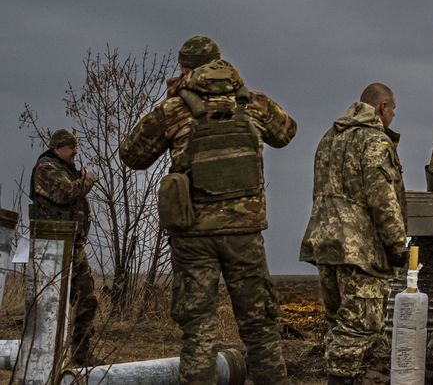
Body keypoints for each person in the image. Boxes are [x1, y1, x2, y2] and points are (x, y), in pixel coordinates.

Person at [120, 36, 296, 384]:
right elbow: (286, 132)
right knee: (260, 327)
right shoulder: (252, 103)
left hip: (193, 236)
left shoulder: (175, 110)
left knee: (199, 329)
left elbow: (132, 154)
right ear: (220, 62)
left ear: (184, 69)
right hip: (244, 235)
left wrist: (171, 100)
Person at [300, 83, 408, 385]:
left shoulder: (329, 138)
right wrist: (397, 245)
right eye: (393, 112)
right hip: (359, 249)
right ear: (383, 108)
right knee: (361, 324)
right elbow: (383, 199)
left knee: (341, 322)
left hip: (325, 244)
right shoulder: (375, 142)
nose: (392, 118)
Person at [29, 128, 99, 366]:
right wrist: (87, 180)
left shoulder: (66, 170)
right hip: (52, 248)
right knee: (50, 305)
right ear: (58, 147)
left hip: (73, 245)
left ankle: (80, 354)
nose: (75, 152)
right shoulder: (46, 169)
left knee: (87, 298)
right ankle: (43, 359)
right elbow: (66, 193)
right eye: (71, 148)